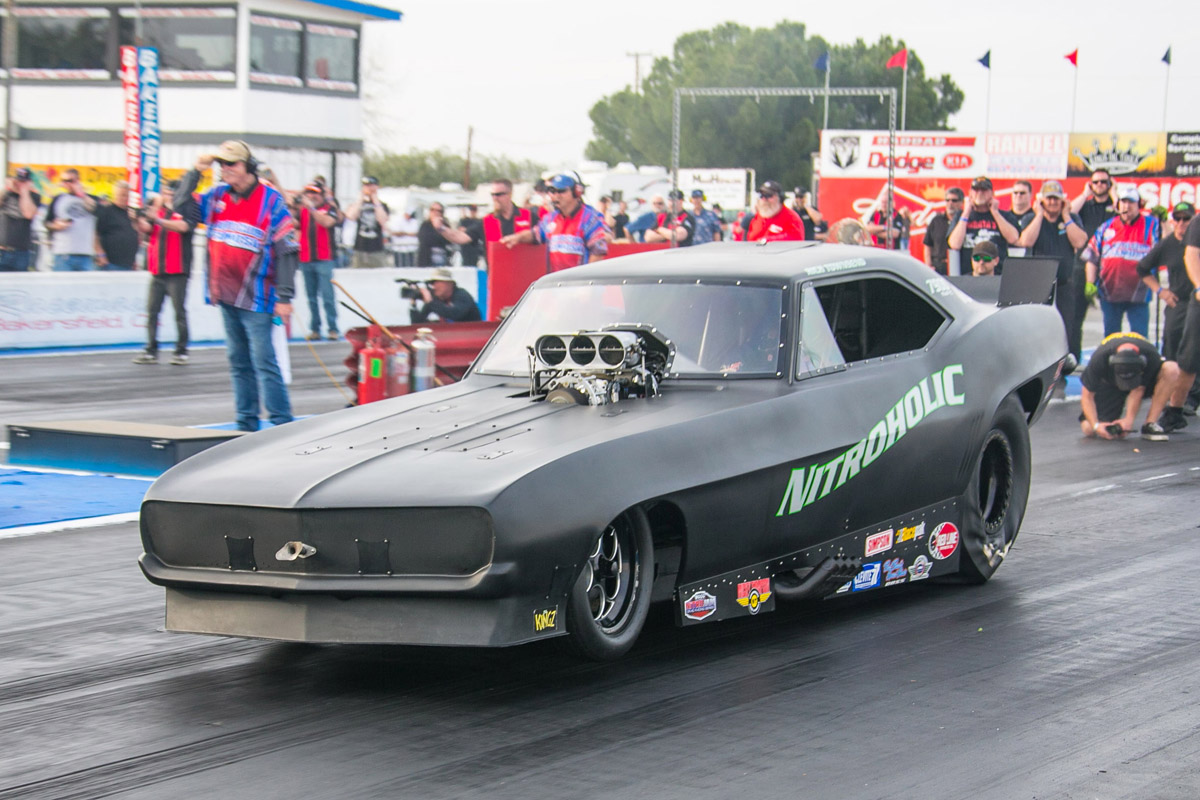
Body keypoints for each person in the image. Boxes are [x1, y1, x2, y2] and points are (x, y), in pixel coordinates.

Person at [176, 140, 297, 432]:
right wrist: (196, 171)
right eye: (222, 164)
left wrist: (285, 296)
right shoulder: (216, 195)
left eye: (232, 163)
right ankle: (246, 423)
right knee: (238, 362)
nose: (225, 169)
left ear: (247, 166)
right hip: (227, 295)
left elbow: (287, 250)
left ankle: (283, 424)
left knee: (264, 362)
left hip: (258, 297)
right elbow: (181, 206)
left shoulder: (270, 200)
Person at [132, 180, 199, 365]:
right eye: (166, 192)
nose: (168, 196)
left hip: (178, 269)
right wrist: (137, 218)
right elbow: (147, 229)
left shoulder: (187, 208)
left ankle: (181, 351)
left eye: (171, 193)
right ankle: (151, 349)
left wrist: (157, 219)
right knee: (152, 311)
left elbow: (183, 227)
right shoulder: (158, 210)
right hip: (158, 269)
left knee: (179, 312)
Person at [1018, 180, 1088, 354]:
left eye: (1056, 199)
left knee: (1066, 327)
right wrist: (1039, 215)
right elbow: (1026, 241)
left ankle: (1065, 362)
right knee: (1037, 328)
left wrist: (1066, 216)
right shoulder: (1030, 218)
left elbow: (1080, 241)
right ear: (1042, 200)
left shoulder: (1072, 219)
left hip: (1063, 284)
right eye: (1049, 198)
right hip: (1038, 285)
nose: (1052, 202)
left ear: (1062, 201)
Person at [1084, 186, 1160, 338]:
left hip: (1139, 293)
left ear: (1139, 205)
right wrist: (1090, 282)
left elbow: (1169, 244)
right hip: (1110, 292)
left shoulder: (1152, 225)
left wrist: (1163, 221)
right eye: (1123, 202)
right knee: (1111, 337)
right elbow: (1092, 256)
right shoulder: (1107, 226)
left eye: (1131, 202)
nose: (1126, 206)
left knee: (1140, 337)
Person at [1079, 334, 1179, 441]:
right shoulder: (1099, 359)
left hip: (1140, 382)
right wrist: (1096, 426)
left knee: (1172, 369)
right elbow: (1087, 396)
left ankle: (1150, 424)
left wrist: (1128, 420)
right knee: (1088, 428)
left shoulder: (1151, 355)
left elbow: (1138, 389)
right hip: (1111, 384)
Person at [500, 172, 609, 271]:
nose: (556, 196)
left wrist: (586, 282)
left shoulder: (590, 219)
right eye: (553, 191)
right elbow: (535, 234)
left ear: (576, 193)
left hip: (580, 282)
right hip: (556, 283)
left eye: (561, 191)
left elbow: (598, 253)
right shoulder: (550, 219)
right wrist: (517, 237)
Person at [1069, 168, 1118, 359]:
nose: (1099, 185)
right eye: (1096, 182)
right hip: (1083, 265)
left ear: (1109, 184)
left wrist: (1114, 194)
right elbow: (1069, 212)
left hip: (1109, 266)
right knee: (1075, 316)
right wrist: (1084, 194)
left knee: (1112, 318)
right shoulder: (1085, 205)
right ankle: (1073, 358)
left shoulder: (1116, 205)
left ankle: (1111, 358)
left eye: (1104, 182)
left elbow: (1124, 212)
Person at [294, 182, 341, 341]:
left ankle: (333, 328)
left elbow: (327, 222)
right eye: (309, 193)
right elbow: (294, 224)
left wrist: (312, 209)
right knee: (311, 297)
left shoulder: (330, 208)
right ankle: (315, 329)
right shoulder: (302, 210)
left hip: (324, 259)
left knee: (328, 296)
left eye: (315, 193)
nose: (311, 196)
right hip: (306, 258)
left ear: (322, 195)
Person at [948, 176, 1019, 271]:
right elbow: (954, 244)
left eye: (984, 190)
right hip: (969, 273)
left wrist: (995, 212)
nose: (980, 193)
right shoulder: (961, 216)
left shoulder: (1004, 215)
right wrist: (966, 212)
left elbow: (1013, 238)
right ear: (970, 193)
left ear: (992, 193)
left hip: (997, 273)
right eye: (976, 190)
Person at [45, 168, 98, 271]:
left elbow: (95, 210)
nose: (67, 184)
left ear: (78, 180)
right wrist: (56, 226)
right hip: (63, 253)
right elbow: (47, 222)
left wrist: (81, 194)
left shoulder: (90, 198)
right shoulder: (58, 199)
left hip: (85, 253)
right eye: (64, 181)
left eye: (70, 181)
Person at [0, 167, 41, 271]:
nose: (20, 184)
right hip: (2, 250)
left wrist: (24, 192)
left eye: (24, 181)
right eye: (18, 180)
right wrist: (7, 188)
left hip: (21, 252)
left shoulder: (34, 196)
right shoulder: (5, 194)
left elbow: (28, 214)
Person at [345, 176, 390, 268]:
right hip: (360, 249)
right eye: (366, 185)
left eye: (371, 185)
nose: (369, 188)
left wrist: (375, 200)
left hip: (377, 249)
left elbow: (382, 220)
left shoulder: (382, 205)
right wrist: (360, 200)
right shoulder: (357, 205)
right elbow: (351, 217)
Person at [409, 267, 482, 323]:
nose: (434, 286)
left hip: (470, 333)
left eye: (437, 282)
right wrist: (413, 304)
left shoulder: (462, 295)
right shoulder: (436, 299)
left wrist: (430, 301)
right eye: (432, 283)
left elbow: (455, 314)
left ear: (449, 284)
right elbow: (418, 323)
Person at [482, 179, 535, 243]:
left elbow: (541, 236)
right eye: (492, 195)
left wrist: (521, 237)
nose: (495, 198)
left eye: (499, 194)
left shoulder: (529, 216)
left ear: (510, 194)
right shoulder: (487, 220)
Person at [923, 187, 962, 274]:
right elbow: (927, 244)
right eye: (947, 200)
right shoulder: (936, 221)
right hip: (938, 267)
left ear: (961, 203)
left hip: (959, 266)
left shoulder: (964, 221)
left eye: (954, 200)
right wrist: (928, 266)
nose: (950, 203)